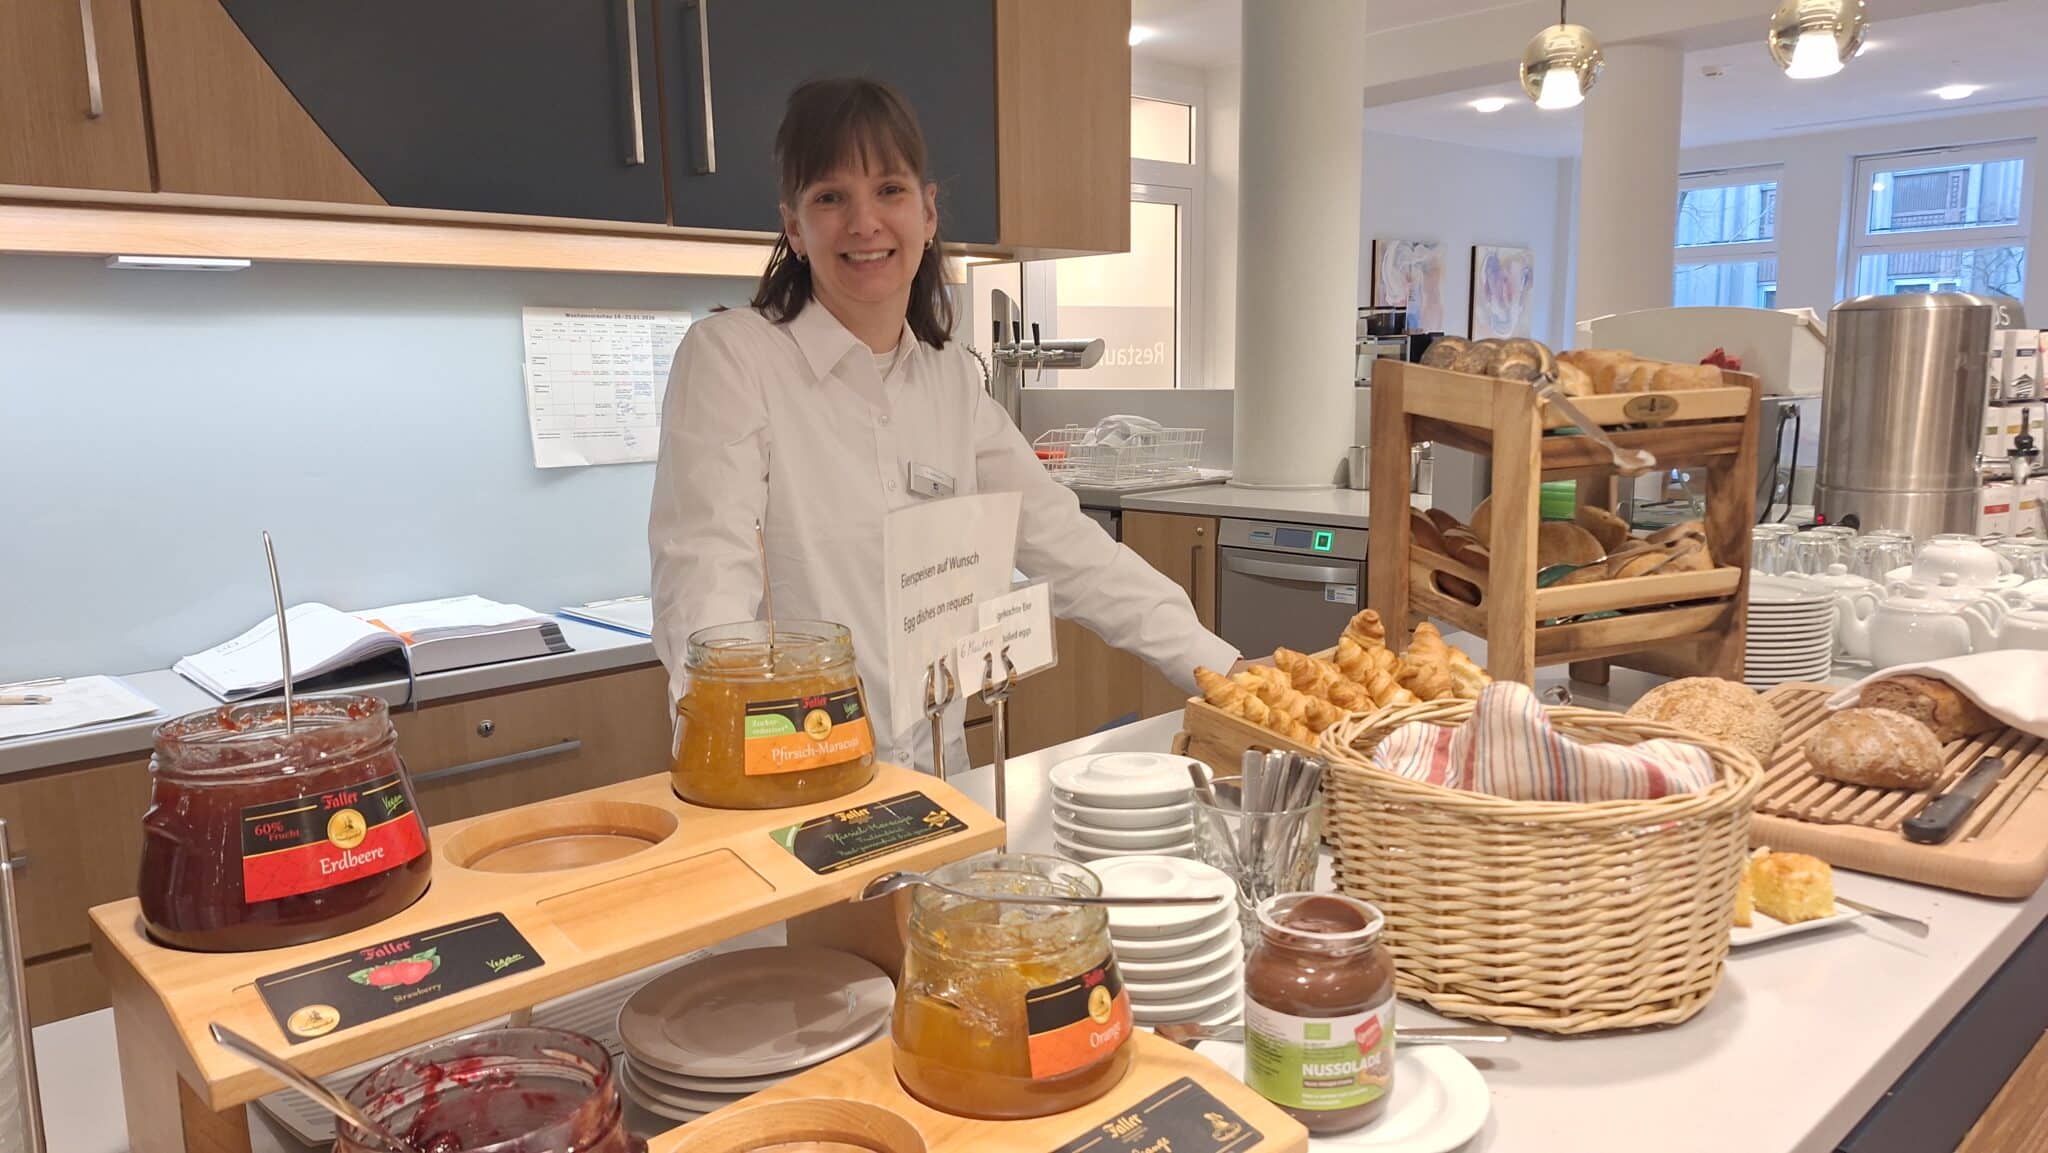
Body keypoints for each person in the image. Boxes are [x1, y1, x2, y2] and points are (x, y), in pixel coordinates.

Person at [649, 77, 1237, 773]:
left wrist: (1229, 675)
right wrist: (740, 762)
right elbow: (705, 584)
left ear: (928, 214)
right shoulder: (733, 359)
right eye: (830, 197)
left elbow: (1068, 546)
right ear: (794, 227)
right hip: (803, 782)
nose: (863, 222)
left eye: (889, 190)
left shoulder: (951, 379)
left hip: (940, 785)